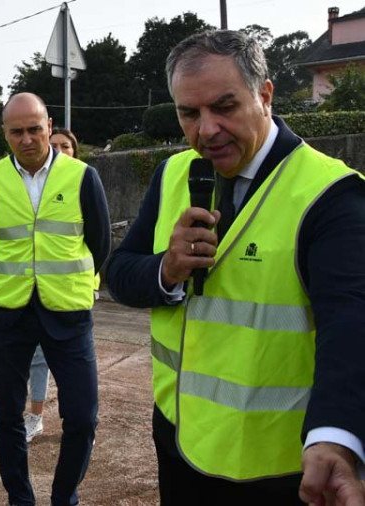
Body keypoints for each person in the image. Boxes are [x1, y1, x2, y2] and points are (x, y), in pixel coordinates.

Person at [105, 30, 365, 505]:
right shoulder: (172, 174)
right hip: (180, 441)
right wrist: (167, 269)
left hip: (277, 469)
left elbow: (351, 325)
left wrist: (335, 437)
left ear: (264, 95)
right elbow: (118, 273)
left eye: (224, 107)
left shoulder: (330, 195)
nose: (206, 130)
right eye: (189, 113)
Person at [0, 93, 110, 506]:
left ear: (49, 125)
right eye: (17, 131)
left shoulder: (83, 176)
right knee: (8, 417)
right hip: (11, 313)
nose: (28, 138)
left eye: (35, 128)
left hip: (68, 312)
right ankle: (20, 498)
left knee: (83, 418)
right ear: (5, 134)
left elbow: (100, 244)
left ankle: (64, 496)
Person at [25, 127, 81, 444]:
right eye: (54, 145)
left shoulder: (83, 184)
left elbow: (97, 241)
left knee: (72, 364)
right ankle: (35, 418)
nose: (59, 150)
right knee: (37, 360)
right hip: (33, 294)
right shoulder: (31, 189)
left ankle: (79, 420)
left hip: (71, 295)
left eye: (66, 146)